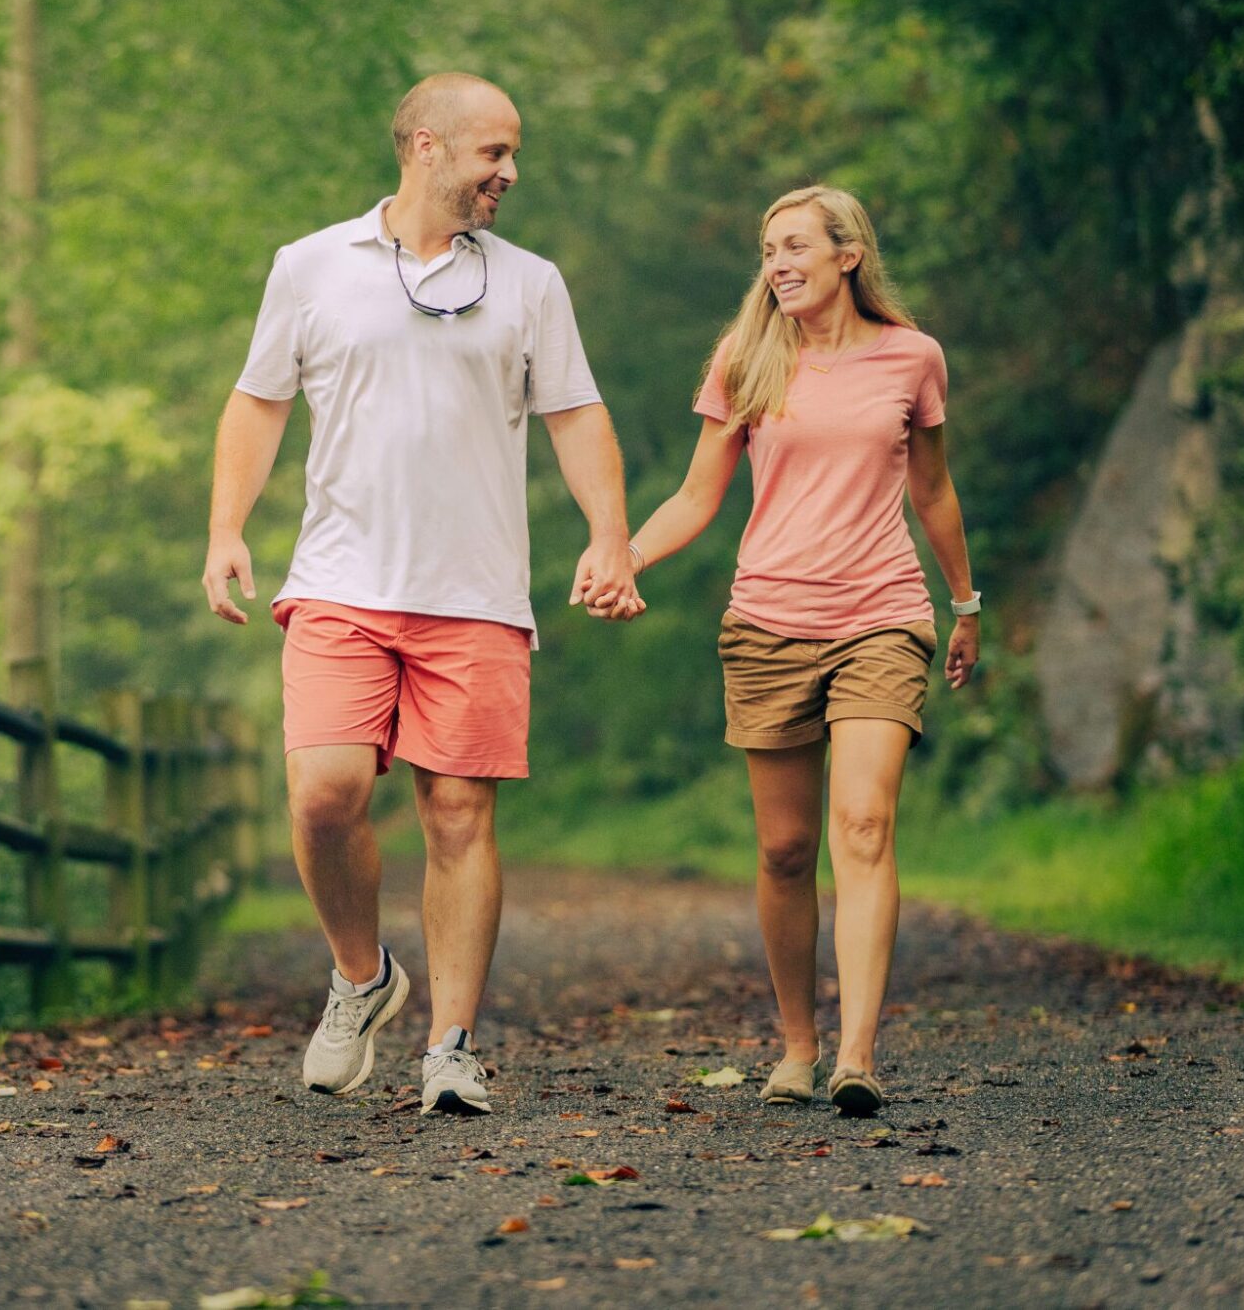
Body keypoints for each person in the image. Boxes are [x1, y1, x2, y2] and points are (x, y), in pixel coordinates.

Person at [202, 72, 637, 1115]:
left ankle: (450, 1045)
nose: (509, 174)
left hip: (475, 590)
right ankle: (361, 976)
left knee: (455, 815)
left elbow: (576, 415)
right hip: (341, 580)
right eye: (493, 153)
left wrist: (610, 537)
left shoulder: (530, 284)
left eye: (512, 155)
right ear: (425, 145)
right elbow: (257, 405)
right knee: (323, 794)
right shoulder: (310, 267)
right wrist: (224, 528)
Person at [623, 185, 979, 1117]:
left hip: (882, 615)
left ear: (847, 254)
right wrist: (625, 555)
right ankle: (797, 1045)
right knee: (786, 849)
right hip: (769, 621)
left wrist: (966, 603)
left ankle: (856, 1055)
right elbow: (698, 494)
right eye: (767, 250)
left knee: (863, 827)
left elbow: (933, 492)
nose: (777, 264)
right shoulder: (748, 359)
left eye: (794, 247)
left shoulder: (913, 357)